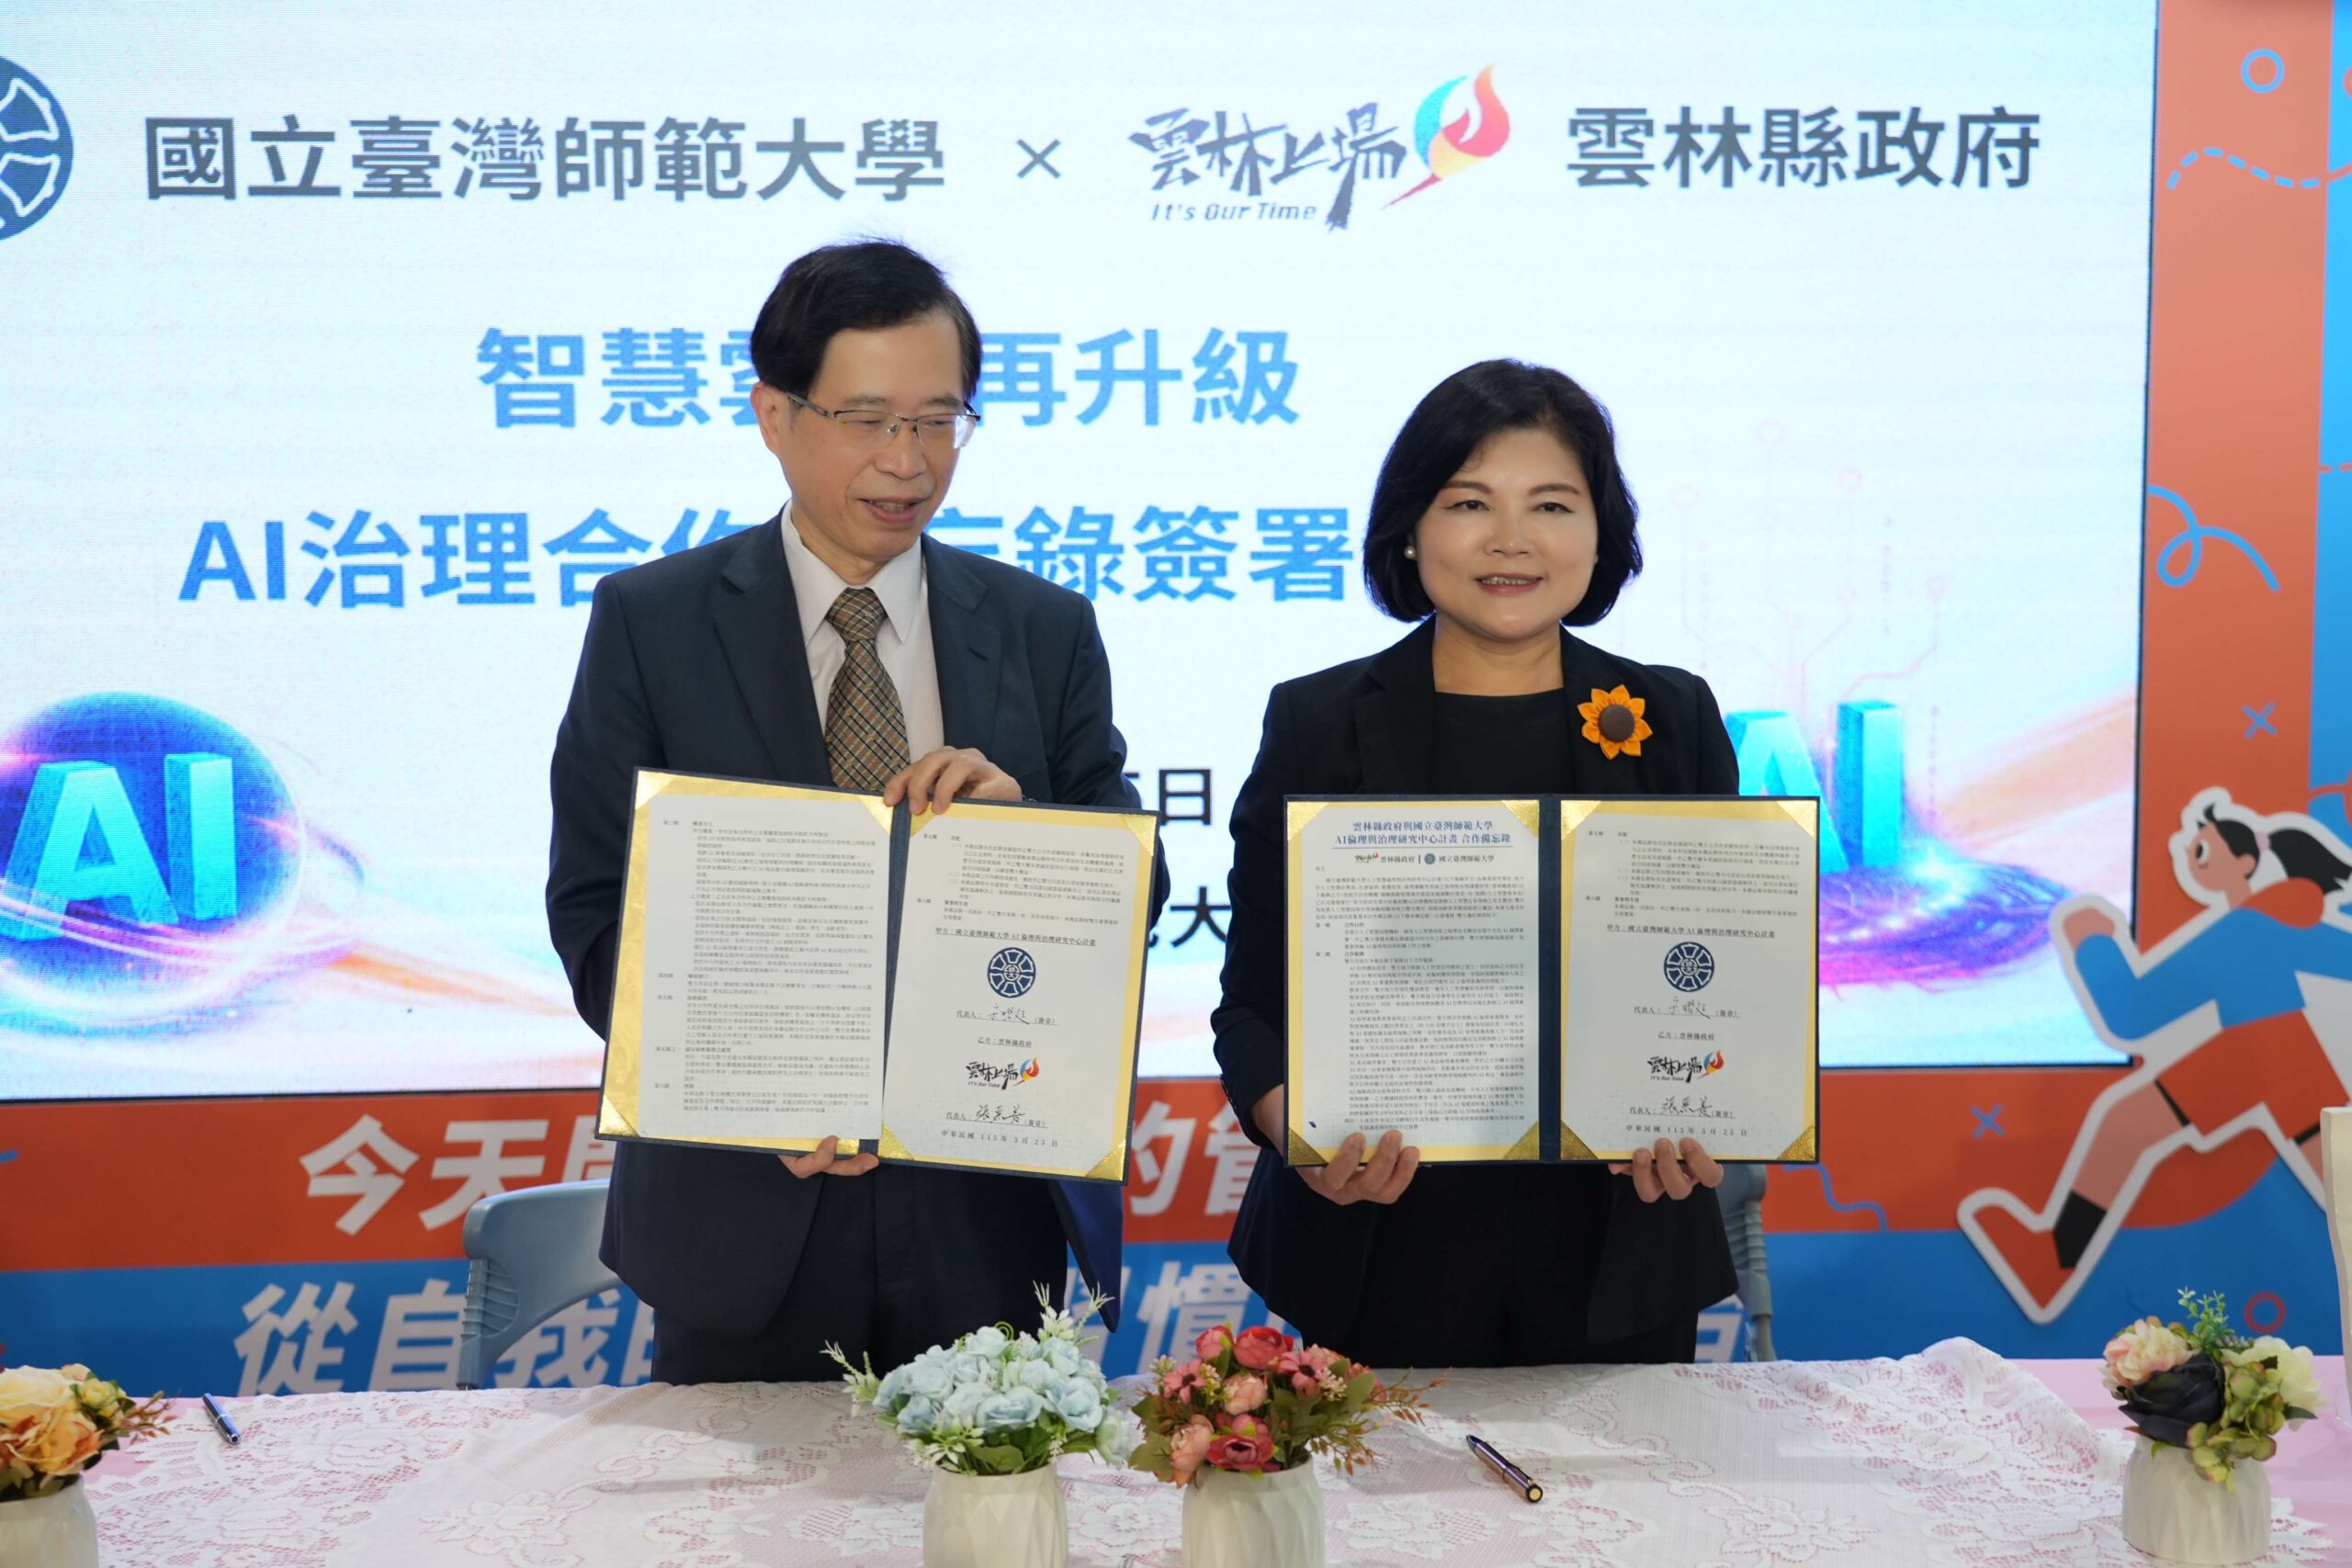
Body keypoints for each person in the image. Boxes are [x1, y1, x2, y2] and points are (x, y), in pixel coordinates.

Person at [547, 241, 1162, 1382]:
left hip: (984, 1199)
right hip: (745, 1210)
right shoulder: (654, 621)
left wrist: (1026, 834)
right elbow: (594, 912)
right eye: (868, 420)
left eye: (938, 421)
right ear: (774, 415)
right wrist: (748, 1097)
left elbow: (1133, 896)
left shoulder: (1043, 628)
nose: (907, 461)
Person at [1213, 359, 1740, 1366]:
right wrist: (1301, 1135)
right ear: (1411, 528)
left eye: (1551, 504)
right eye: (1469, 503)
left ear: (1600, 532)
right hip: (1378, 1234)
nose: (1511, 538)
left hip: (1618, 1237)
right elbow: (1250, 1004)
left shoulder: (1670, 716)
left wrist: (1705, 1108)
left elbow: (1719, 983)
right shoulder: (1319, 722)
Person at [1962, 792, 2352, 1321]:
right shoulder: (2281, 919)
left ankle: (2052, 1258)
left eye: (2203, 850)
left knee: (2125, 1122)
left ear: (2244, 862)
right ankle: (2050, 1258)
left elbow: (2133, 1014)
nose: (2190, 856)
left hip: (2254, 1056)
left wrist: (2093, 942)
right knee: (2129, 1122)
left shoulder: (2247, 924)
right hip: (2280, 1057)